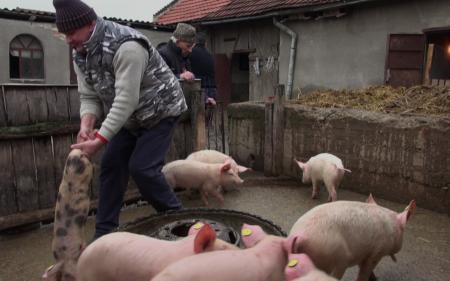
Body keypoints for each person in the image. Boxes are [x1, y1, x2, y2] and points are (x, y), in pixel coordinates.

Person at [52, 0, 187, 239]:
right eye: (64, 34)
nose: (68, 39)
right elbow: (89, 95)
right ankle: (104, 235)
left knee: (142, 168)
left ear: (90, 24)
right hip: (130, 117)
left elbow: (126, 99)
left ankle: (182, 224)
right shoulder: (80, 53)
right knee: (112, 165)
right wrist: (86, 125)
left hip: (161, 110)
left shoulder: (127, 46)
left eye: (71, 32)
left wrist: (101, 138)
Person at [190, 32, 217, 107]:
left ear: (194, 42)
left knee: (197, 114)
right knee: (209, 115)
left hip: (198, 88)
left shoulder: (190, 52)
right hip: (212, 88)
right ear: (205, 43)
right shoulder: (209, 54)